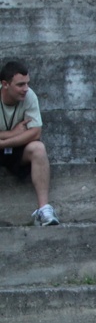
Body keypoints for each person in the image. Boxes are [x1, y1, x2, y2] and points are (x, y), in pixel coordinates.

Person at [0, 60, 59, 226]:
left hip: (17, 148)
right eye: (20, 84)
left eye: (27, 83)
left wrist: (4, 142)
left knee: (38, 148)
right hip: (12, 142)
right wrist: (12, 133)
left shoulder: (29, 95)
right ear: (5, 84)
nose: (26, 89)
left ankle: (44, 210)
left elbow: (35, 132)